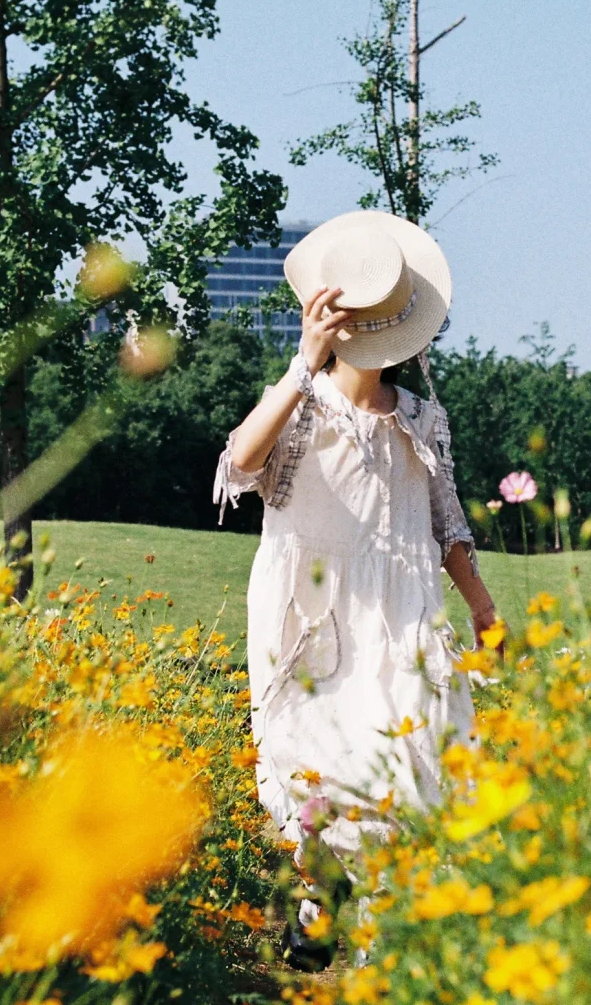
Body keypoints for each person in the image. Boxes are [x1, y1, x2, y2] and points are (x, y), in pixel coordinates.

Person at [213, 210, 497, 970]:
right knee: (315, 768)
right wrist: (299, 364)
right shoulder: (299, 406)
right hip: (310, 619)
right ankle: (319, 900)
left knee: (401, 774)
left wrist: (482, 606)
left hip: (402, 618)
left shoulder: (421, 418)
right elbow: (238, 464)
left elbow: (447, 524)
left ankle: (379, 945)